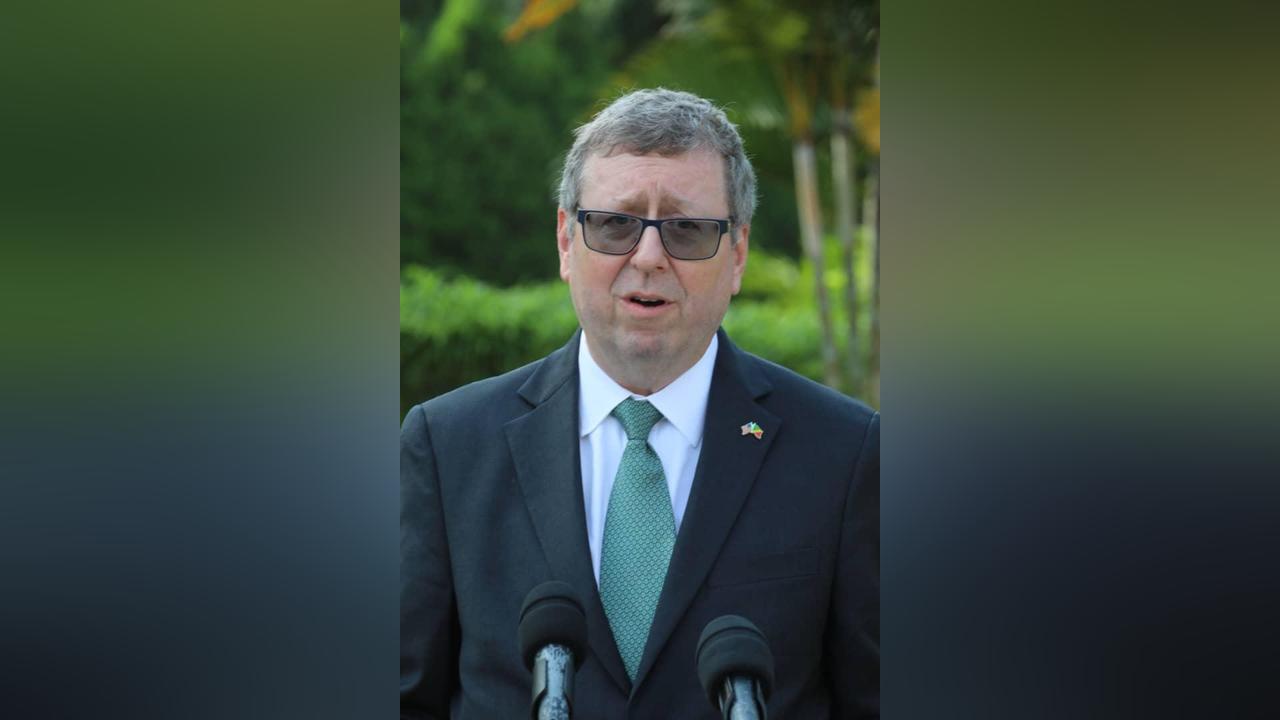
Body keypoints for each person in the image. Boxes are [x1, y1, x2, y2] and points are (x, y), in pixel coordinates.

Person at [401, 88, 879, 718]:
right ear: (566, 241)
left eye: (687, 229)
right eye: (615, 224)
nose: (648, 257)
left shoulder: (843, 452)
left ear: (737, 254)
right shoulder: (448, 446)